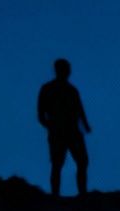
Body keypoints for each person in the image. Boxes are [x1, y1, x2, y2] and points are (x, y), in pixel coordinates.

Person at [37, 58, 92, 197]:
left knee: (82, 161)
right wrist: (49, 125)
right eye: (65, 69)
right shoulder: (48, 89)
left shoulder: (71, 90)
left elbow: (80, 109)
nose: (68, 72)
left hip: (72, 131)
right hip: (58, 131)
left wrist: (85, 125)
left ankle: (82, 194)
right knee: (57, 164)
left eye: (68, 69)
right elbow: (40, 112)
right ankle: (56, 195)